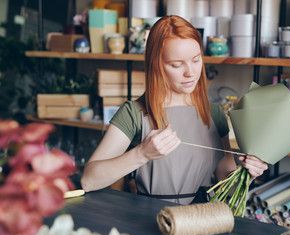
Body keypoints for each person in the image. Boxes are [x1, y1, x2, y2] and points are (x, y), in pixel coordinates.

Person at [81, 15, 268, 204]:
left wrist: (248, 174)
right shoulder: (134, 113)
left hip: (201, 220)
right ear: (157, 65)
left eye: (196, 60)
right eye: (177, 65)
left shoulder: (214, 114)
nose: (190, 72)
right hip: (150, 222)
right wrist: (141, 153)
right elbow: (89, 180)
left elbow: (226, 185)